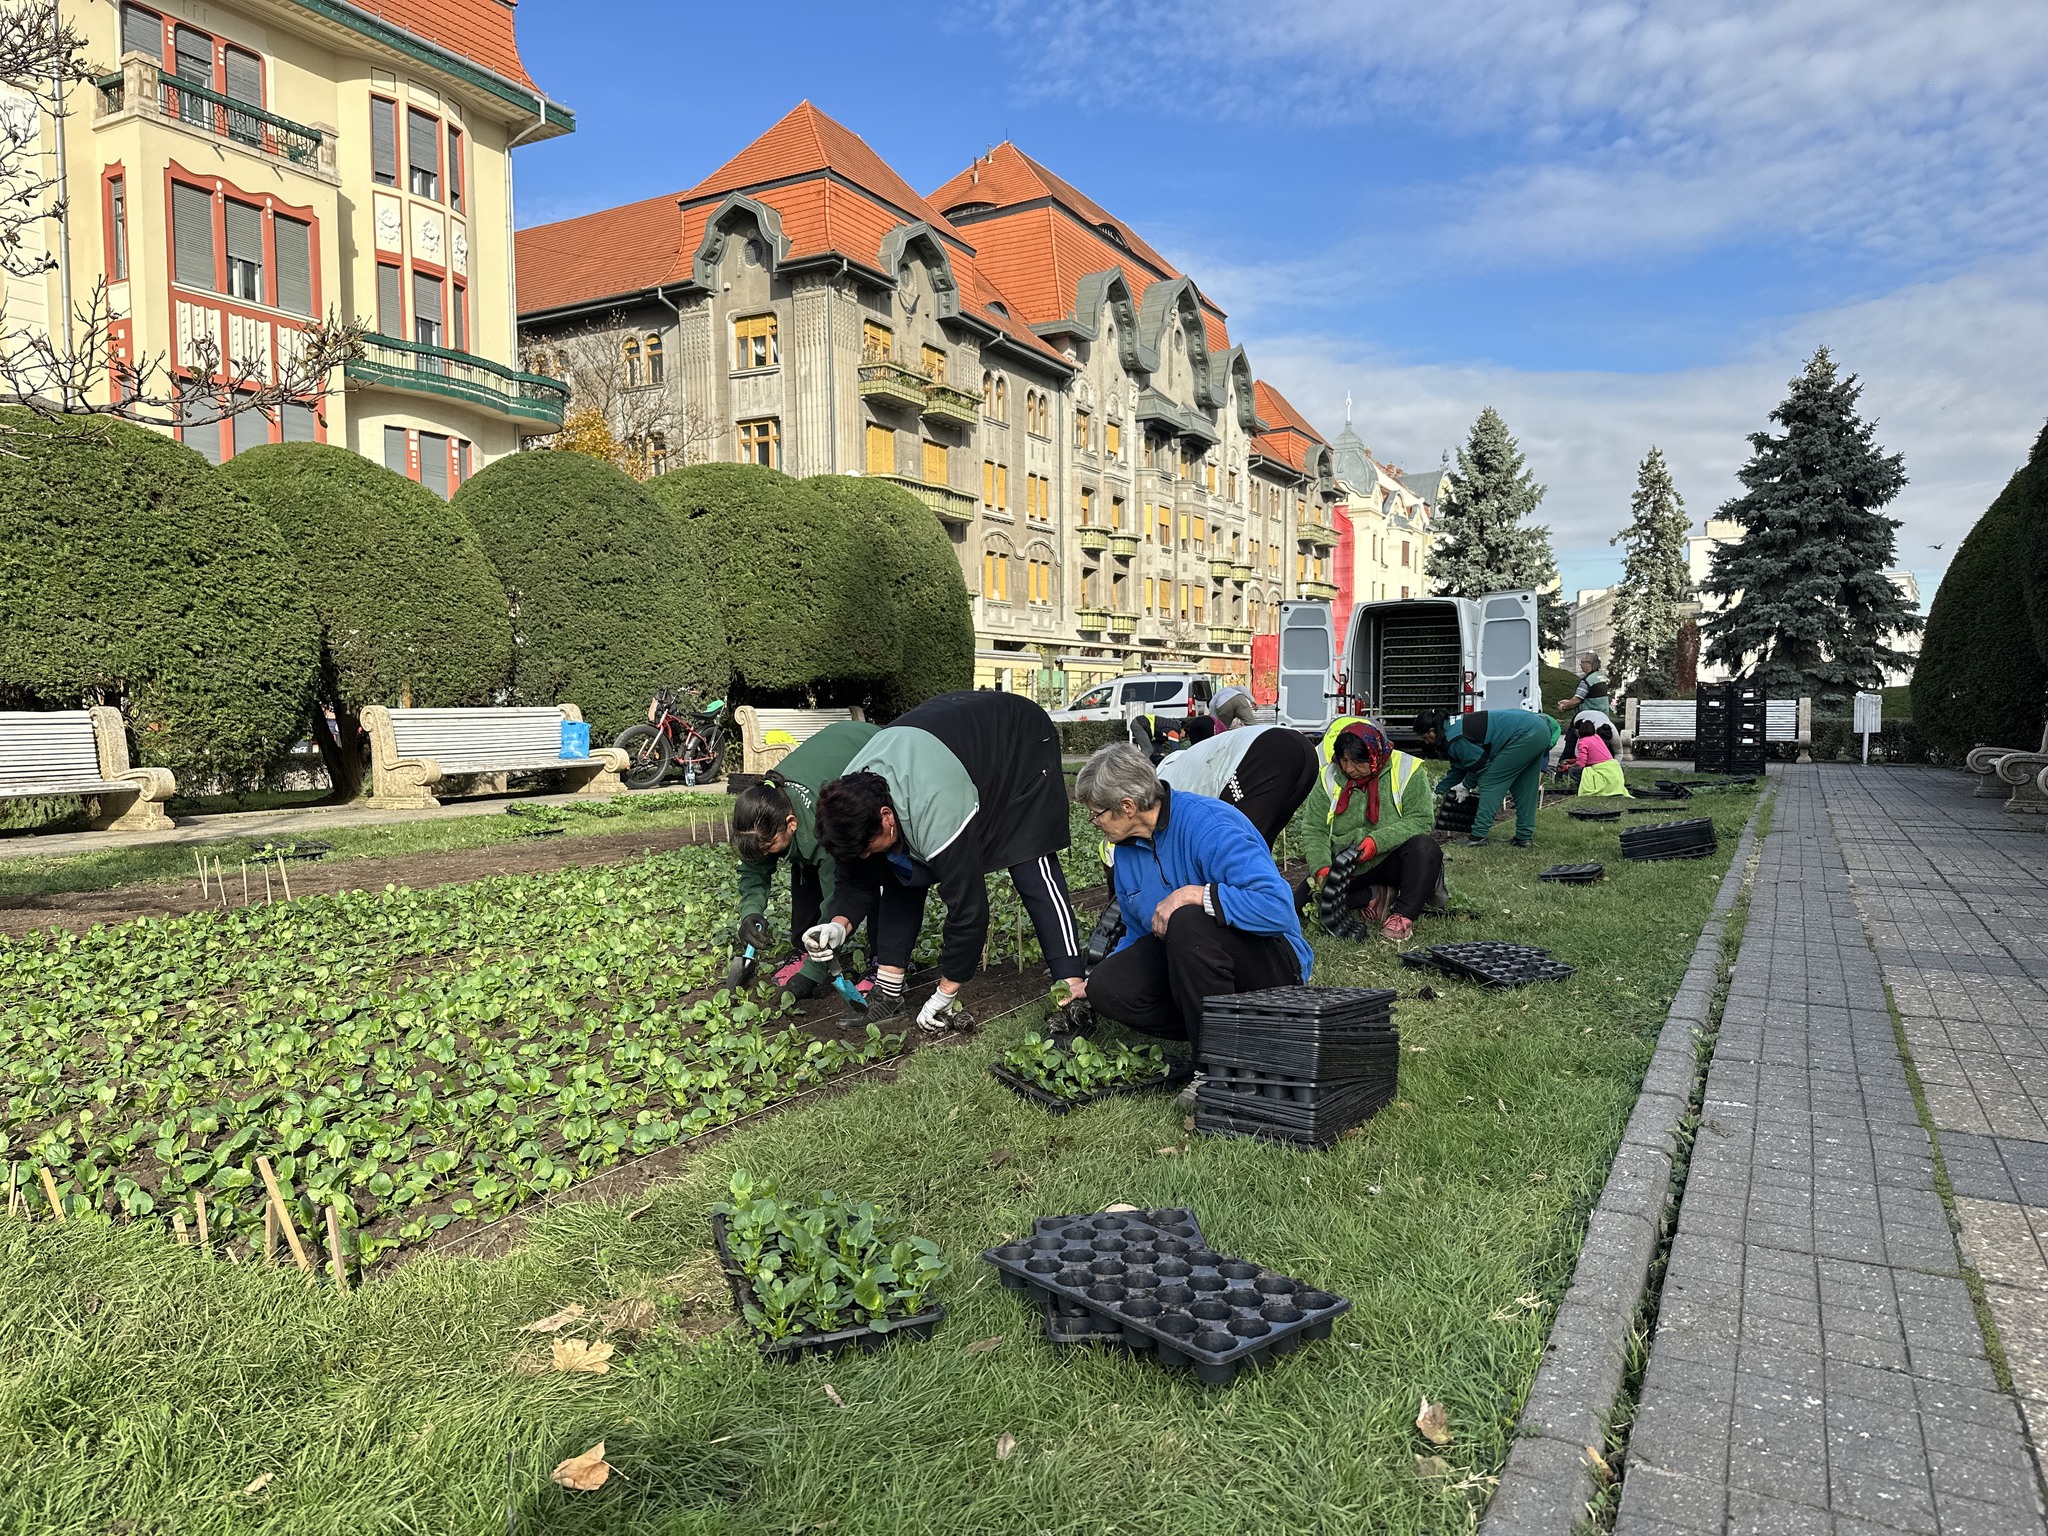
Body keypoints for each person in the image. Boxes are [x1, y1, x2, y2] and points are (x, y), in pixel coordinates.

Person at [813, 691, 1083, 1030]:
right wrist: (838, 925)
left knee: (1029, 860)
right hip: (946, 743)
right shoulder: (848, 802)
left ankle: (1072, 982)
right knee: (896, 870)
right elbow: (857, 878)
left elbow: (968, 910)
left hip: (1017, 739)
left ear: (886, 817)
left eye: (867, 846)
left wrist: (946, 991)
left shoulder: (935, 805)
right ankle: (890, 989)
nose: (864, 856)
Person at [1069, 743, 1310, 1053]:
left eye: (1096, 815)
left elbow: (1277, 908)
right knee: (1108, 987)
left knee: (1186, 919)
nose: (1095, 823)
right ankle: (1229, 1031)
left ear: (1127, 807)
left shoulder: (1209, 824)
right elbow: (1138, 934)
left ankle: (1218, 1062)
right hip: (1194, 971)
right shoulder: (1126, 851)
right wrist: (1091, 983)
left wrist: (1195, 894)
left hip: (1270, 965)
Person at [729, 719, 880, 998]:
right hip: (832, 747)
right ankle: (803, 946)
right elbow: (755, 867)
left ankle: (884, 962)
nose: (764, 854)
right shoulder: (764, 809)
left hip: (871, 747)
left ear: (791, 823)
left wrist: (813, 974)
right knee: (803, 864)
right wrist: (750, 912)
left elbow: (837, 898)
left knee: (875, 871)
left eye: (768, 846)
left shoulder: (824, 827)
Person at [1300, 719, 1443, 941]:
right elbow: (1313, 829)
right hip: (1347, 864)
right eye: (1344, 760)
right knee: (1304, 906)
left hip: (1390, 858)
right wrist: (1322, 868)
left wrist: (1376, 842)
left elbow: (1421, 819)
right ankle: (1374, 896)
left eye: (1357, 762)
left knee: (1425, 848)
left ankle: (1403, 914)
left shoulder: (1407, 769)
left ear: (1375, 755)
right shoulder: (1328, 776)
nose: (1349, 769)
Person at [1413, 706, 1560, 848]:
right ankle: (1524, 838)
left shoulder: (1454, 738)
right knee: (1524, 785)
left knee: (1490, 780)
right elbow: (1459, 767)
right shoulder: (1450, 727)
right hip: (1539, 728)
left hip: (1525, 734)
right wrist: (1437, 792)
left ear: (1432, 731)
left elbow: (1480, 764)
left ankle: (1478, 836)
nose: (1426, 742)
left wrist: (1466, 785)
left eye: (1425, 738)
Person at [1155, 722, 1318, 845]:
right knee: (1261, 843)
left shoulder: (1165, 785)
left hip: (1266, 751)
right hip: (1304, 750)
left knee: (1235, 843)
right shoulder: (1184, 761)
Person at [1559, 716, 1630, 797]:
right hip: (1613, 768)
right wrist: (1572, 761)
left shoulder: (1583, 742)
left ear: (1577, 731)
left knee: (1573, 771)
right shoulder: (1596, 737)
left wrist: (1568, 767)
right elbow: (1592, 758)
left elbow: (1580, 764)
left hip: (1603, 770)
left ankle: (1585, 787)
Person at [1554, 653, 1611, 719]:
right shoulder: (1600, 678)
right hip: (1603, 717)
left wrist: (1563, 707)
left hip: (1590, 719)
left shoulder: (1587, 680)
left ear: (1589, 663)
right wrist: (1568, 702)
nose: (1580, 664)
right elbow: (1590, 699)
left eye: (1582, 662)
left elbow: (1576, 701)